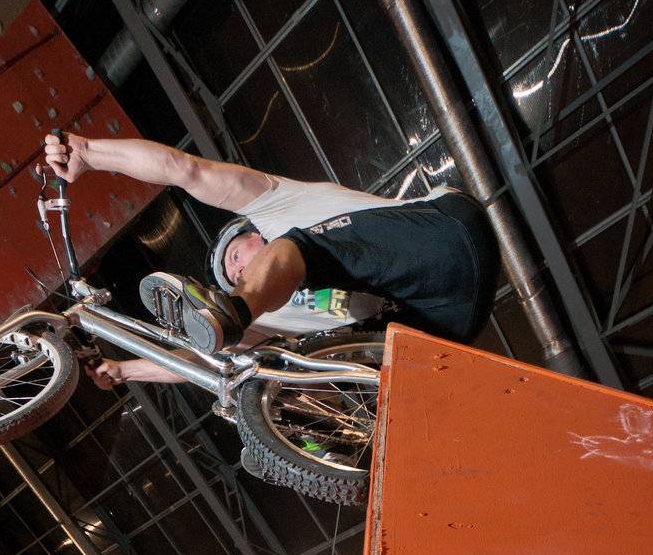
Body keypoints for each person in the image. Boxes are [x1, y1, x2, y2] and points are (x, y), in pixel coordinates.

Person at [42, 131, 500, 389]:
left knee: (298, 249)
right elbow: (200, 361)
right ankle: (322, 442)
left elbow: (184, 170)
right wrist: (126, 369)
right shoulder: (272, 316)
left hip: (442, 236)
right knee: (301, 362)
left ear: (251, 232)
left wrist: (89, 153)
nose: (238, 270)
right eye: (233, 277)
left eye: (237, 256)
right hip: (448, 323)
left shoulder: (274, 208)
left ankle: (231, 312)